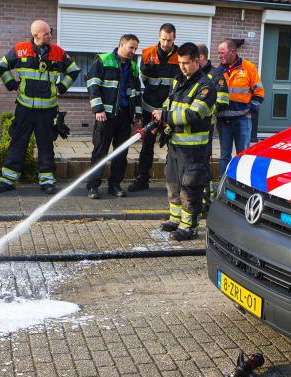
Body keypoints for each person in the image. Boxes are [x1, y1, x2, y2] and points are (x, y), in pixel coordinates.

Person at [0, 20, 80, 195]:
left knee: (46, 145)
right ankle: (7, 180)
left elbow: (73, 70)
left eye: (50, 32)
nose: (50, 35)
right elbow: (1, 66)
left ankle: (47, 181)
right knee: (17, 144)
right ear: (36, 35)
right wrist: (11, 84)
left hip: (47, 110)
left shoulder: (58, 52)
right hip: (24, 108)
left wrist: (62, 87)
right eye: (47, 33)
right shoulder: (20, 49)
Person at [154, 42, 217, 241]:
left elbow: (193, 114)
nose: (182, 66)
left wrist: (165, 115)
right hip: (175, 145)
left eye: (186, 63)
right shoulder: (179, 80)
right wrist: (161, 115)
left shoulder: (206, 86)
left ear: (198, 61)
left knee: (190, 187)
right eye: (180, 62)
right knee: (173, 183)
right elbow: (169, 102)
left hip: (193, 149)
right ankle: (175, 219)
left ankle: (189, 226)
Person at [84, 34, 142, 199]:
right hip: (105, 115)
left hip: (125, 115)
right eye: (131, 47)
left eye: (136, 48)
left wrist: (137, 113)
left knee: (121, 153)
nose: (133, 51)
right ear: (121, 45)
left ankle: (114, 185)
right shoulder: (103, 60)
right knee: (100, 151)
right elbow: (92, 84)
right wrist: (98, 109)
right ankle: (92, 186)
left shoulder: (133, 67)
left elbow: (136, 92)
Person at [128, 24, 180, 192]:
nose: (166, 43)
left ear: (174, 38)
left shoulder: (180, 55)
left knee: (175, 147)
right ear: (159, 36)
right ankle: (142, 179)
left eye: (169, 40)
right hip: (149, 108)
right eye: (163, 39)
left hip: (170, 111)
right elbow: (142, 79)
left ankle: (175, 182)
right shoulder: (147, 53)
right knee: (147, 145)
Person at [216, 39, 264, 174]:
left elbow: (259, 93)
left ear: (232, 52)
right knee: (224, 156)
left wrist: (250, 110)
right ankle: (224, 186)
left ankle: (240, 185)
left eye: (222, 53)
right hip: (223, 121)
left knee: (242, 155)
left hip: (242, 120)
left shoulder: (249, 68)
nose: (219, 56)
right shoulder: (217, 71)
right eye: (218, 53)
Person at [196, 42, 229, 214]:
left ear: (201, 57)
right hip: (191, 127)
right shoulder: (194, 75)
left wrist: (204, 113)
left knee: (203, 161)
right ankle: (197, 197)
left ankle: (206, 199)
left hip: (205, 127)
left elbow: (223, 100)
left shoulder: (216, 75)